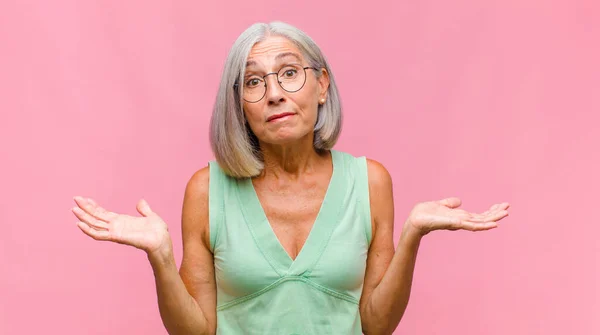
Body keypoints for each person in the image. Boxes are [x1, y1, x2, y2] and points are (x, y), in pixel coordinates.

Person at [71, 21, 510, 335]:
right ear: (238, 105)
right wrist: (161, 258)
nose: (275, 92)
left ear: (321, 86)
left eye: (289, 73)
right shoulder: (206, 190)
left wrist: (413, 234)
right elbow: (196, 331)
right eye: (253, 82)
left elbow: (375, 326)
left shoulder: (370, 181)